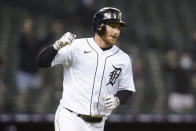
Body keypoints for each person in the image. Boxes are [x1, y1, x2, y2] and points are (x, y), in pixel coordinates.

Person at [37, 7, 135, 131]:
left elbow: (127, 89)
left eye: (118, 27)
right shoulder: (76, 46)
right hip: (70, 118)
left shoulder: (123, 58)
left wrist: (117, 99)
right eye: (113, 26)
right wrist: (56, 46)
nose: (117, 31)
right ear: (99, 26)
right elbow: (42, 62)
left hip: (98, 124)